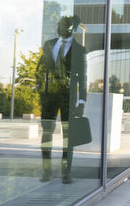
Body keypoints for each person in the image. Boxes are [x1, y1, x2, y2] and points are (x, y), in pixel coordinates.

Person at [36, 15, 87, 184]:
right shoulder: (49, 44)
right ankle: (46, 170)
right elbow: (39, 70)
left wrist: (82, 101)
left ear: (71, 28)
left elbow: (82, 78)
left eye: (62, 25)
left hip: (68, 97)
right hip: (49, 97)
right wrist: (41, 92)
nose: (58, 27)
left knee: (68, 136)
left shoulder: (79, 49)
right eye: (58, 24)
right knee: (47, 134)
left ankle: (66, 172)